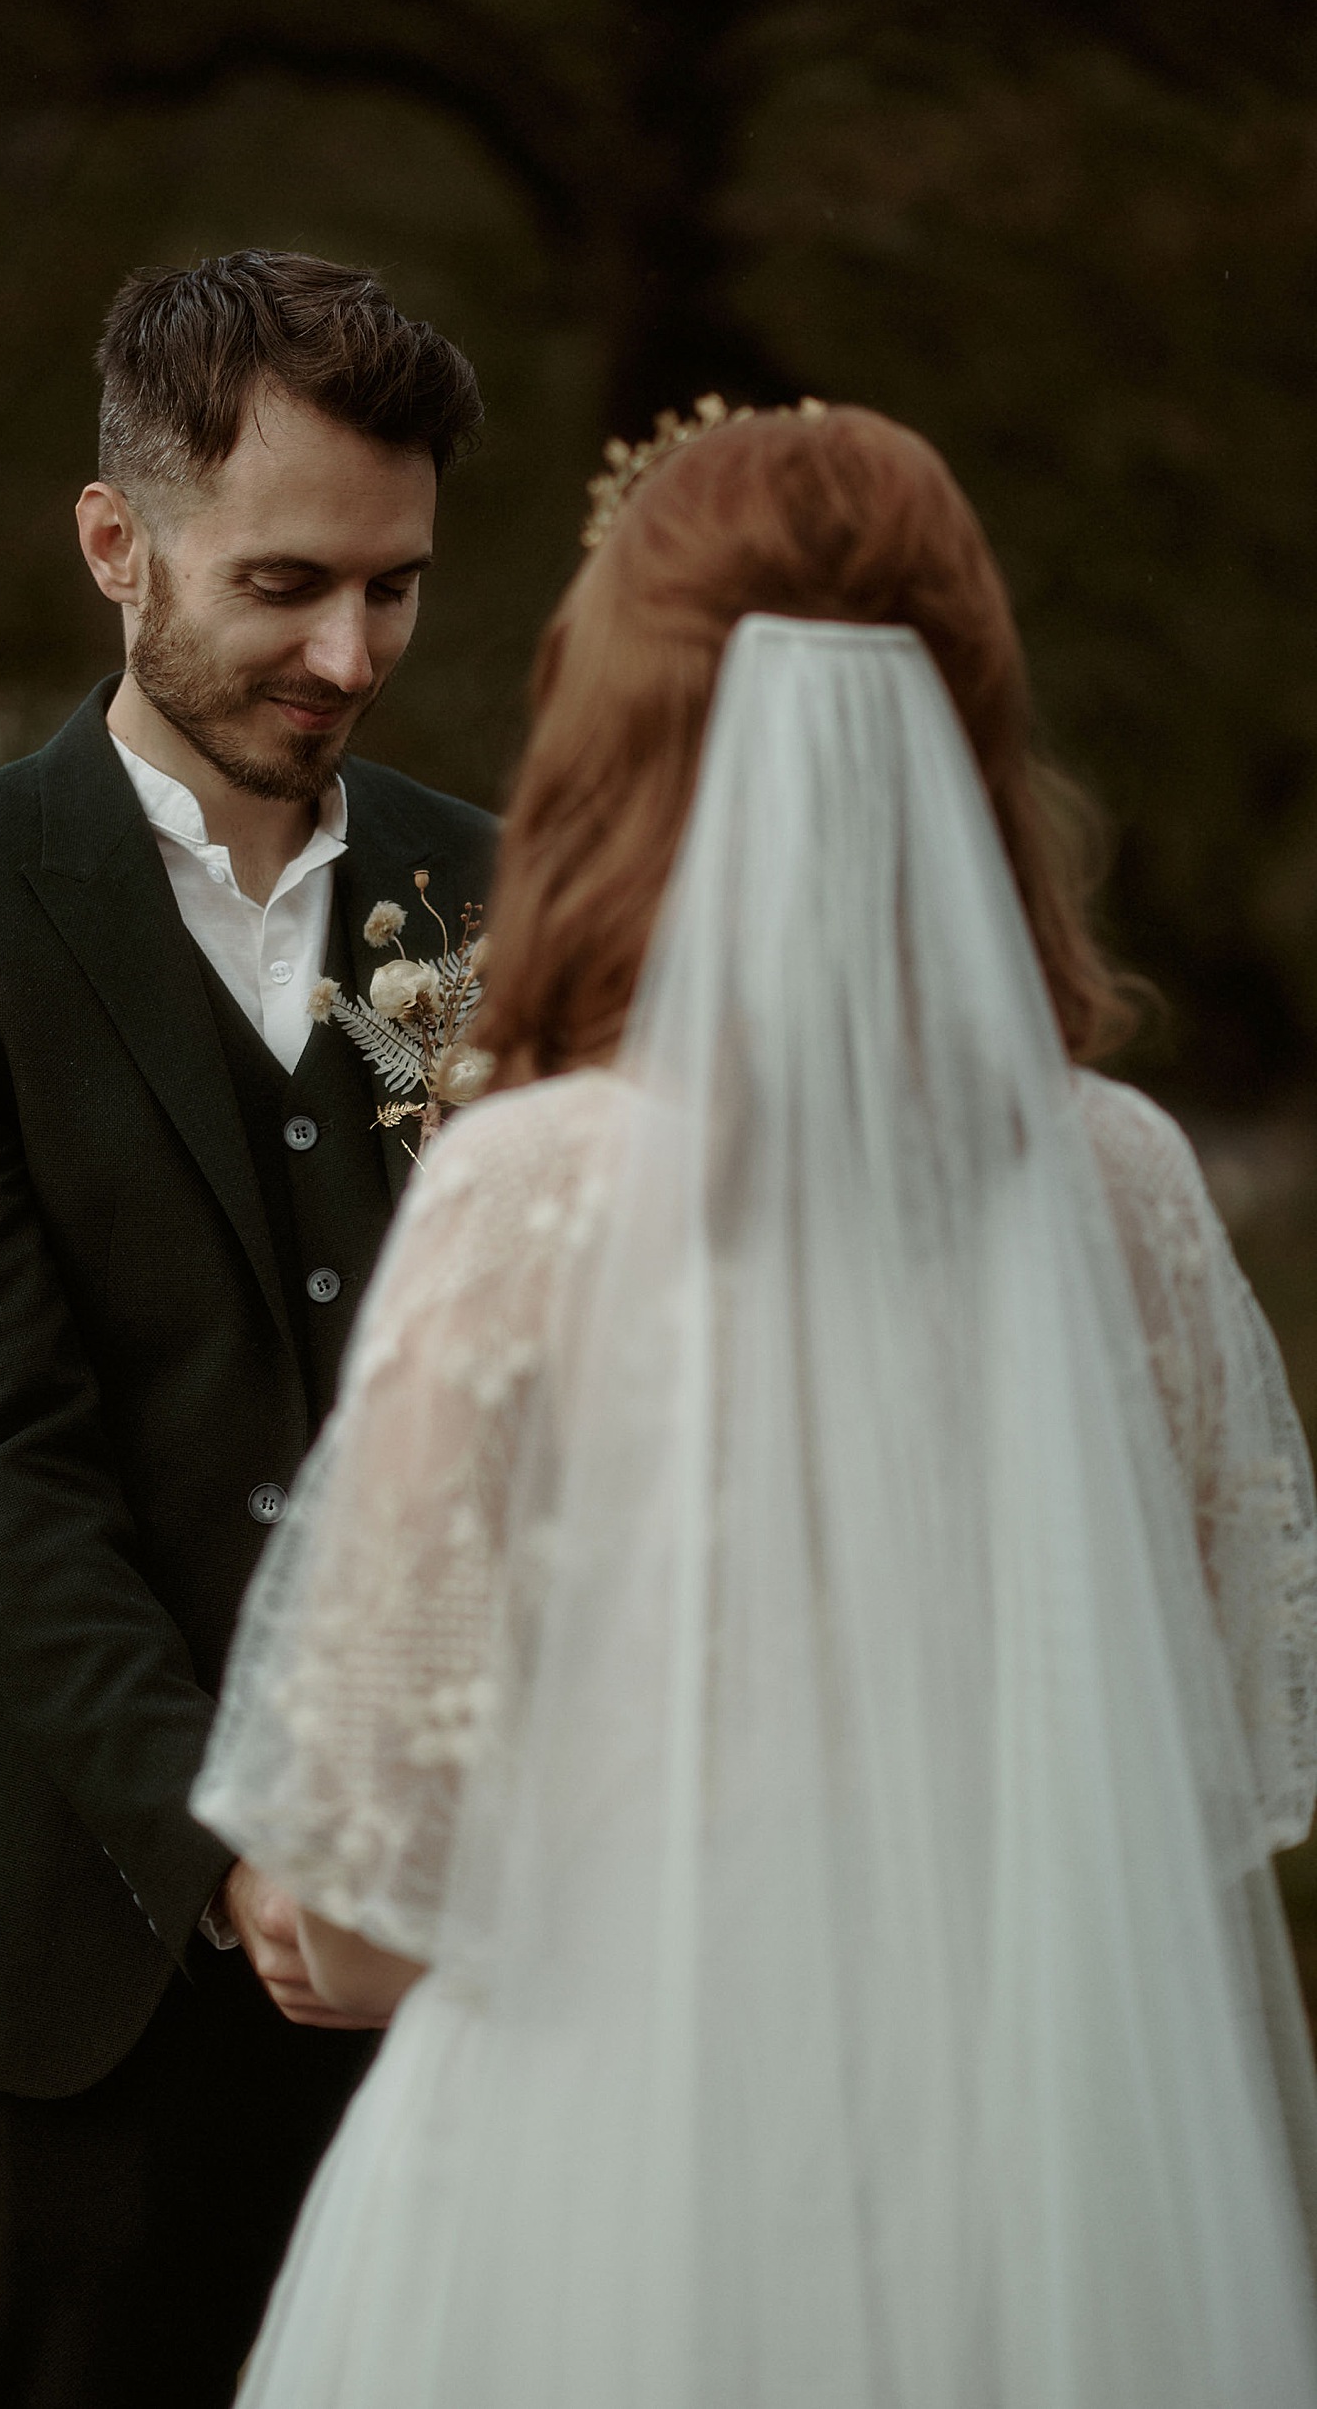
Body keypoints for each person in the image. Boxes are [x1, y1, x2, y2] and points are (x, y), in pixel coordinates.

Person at [193, 399, 1317, 2405]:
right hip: (1040, 2206)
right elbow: (1210, 1770)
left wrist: (307, 1906)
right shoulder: (1128, 1182)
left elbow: (368, 1907)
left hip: (590, 2195)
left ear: (617, 735)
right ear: (969, 731)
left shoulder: (531, 1191)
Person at [0, 250, 496, 2407]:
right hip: (88, 1936)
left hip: (486, 1928)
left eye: (394, 589)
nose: (344, 653)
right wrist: (230, 1841)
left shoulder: (511, 896)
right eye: (287, 580)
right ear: (117, 541)